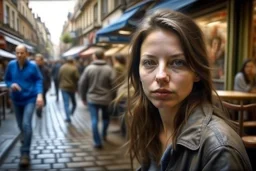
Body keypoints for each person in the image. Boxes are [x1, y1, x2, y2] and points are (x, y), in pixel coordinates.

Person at [123, 10, 252, 170]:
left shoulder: (219, 149)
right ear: (138, 70)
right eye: (149, 62)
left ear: (196, 72)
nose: (161, 75)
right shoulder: (150, 123)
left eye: (177, 62)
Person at [4, 44, 44, 167]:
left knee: (26, 124)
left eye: (22, 53)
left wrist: (39, 95)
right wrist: (12, 84)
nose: (19, 55)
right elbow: (7, 79)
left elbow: (39, 80)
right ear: (15, 54)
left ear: (27, 54)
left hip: (30, 99)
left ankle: (24, 153)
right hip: (16, 100)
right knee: (21, 125)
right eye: (17, 53)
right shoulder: (11, 65)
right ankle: (25, 136)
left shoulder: (33, 66)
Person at [78, 49, 115, 149]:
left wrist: (83, 97)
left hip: (92, 99)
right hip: (106, 99)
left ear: (95, 57)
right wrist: (113, 97)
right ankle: (103, 134)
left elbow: (82, 84)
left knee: (94, 120)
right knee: (106, 118)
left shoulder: (89, 68)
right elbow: (114, 84)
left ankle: (97, 142)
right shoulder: (109, 69)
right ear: (103, 56)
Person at [58, 56, 79, 123]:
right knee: (74, 103)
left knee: (66, 103)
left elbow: (59, 77)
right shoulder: (74, 68)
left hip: (63, 87)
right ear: (72, 61)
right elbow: (77, 78)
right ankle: (70, 113)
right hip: (72, 88)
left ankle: (68, 117)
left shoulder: (62, 67)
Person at [35, 54, 51, 118]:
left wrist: (48, 86)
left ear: (42, 61)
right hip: (35, 87)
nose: (37, 62)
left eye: (39, 60)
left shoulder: (46, 69)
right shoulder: (34, 68)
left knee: (42, 98)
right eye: (36, 60)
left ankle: (39, 110)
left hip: (43, 87)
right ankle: (39, 109)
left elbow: (49, 78)